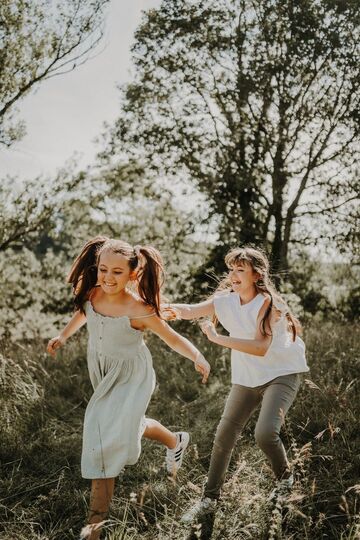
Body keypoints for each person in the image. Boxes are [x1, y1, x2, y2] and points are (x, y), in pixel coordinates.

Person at [46, 236, 210, 540]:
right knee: (124, 423)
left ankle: (93, 527)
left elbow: (172, 338)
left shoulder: (138, 308)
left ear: (133, 274)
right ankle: (175, 441)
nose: (108, 277)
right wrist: (63, 336)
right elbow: (82, 314)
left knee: (105, 438)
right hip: (104, 371)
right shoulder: (93, 294)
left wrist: (197, 356)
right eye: (103, 269)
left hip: (131, 376)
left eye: (117, 272)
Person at [168, 246, 309, 523]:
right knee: (223, 435)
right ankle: (209, 499)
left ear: (257, 274)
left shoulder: (268, 303)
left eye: (240, 270)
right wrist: (162, 309)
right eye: (231, 269)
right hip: (247, 377)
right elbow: (189, 310)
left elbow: (259, 347)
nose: (233, 275)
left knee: (265, 432)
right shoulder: (225, 300)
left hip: (281, 372)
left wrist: (217, 338)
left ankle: (285, 480)